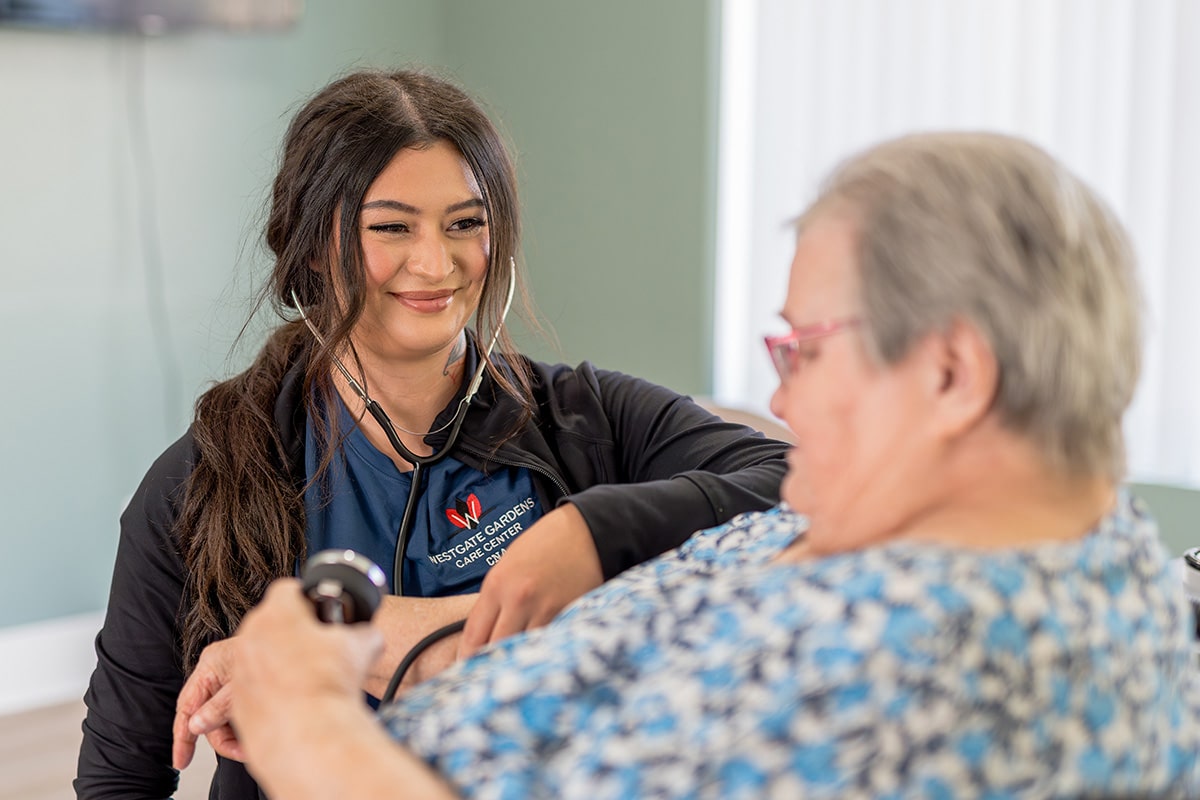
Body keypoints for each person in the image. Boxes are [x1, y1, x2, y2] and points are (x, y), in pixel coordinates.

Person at [202, 131, 1200, 798]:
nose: (781, 401)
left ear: (950, 371)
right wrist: (386, 636)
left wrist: (304, 708)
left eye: (803, 350)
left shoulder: (924, 657)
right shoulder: (984, 539)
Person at [73, 68, 789, 800]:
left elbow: (800, 486)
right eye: (391, 227)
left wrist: (588, 536)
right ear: (313, 243)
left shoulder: (586, 418)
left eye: (465, 224)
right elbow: (119, 778)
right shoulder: (201, 481)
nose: (435, 263)